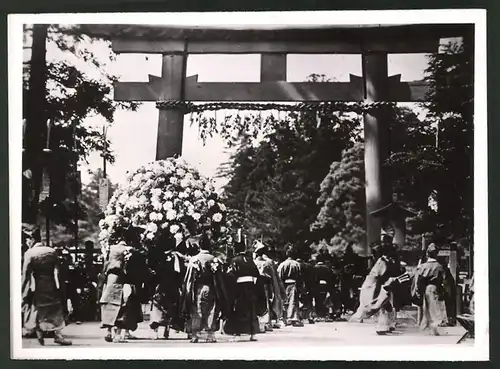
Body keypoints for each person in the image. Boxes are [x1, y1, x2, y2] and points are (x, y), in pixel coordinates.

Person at [22, 225, 72, 346]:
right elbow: (58, 271)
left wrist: (23, 291)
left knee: (38, 309)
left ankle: (39, 333)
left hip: (37, 284)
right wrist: (60, 287)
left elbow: (26, 274)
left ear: (32, 239)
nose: (27, 242)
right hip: (51, 284)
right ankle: (58, 335)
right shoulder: (51, 251)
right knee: (55, 309)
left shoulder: (29, 253)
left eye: (28, 240)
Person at [99, 227, 145, 343]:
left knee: (109, 304)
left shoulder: (110, 248)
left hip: (109, 279)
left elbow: (105, 265)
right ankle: (118, 335)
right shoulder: (128, 250)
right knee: (121, 305)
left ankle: (108, 331)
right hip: (120, 279)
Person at [181, 232, 229, 343]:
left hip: (197, 288)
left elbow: (188, 278)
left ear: (199, 246)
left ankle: (194, 335)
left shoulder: (194, 259)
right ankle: (210, 335)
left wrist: (186, 291)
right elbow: (220, 278)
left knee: (196, 310)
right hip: (212, 288)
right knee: (211, 310)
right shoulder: (214, 259)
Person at [350, 242, 400, 334]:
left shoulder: (384, 261)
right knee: (380, 304)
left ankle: (387, 325)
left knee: (384, 304)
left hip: (375, 284)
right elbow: (381, 275)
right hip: (375, 284)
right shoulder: (383, 262)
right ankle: (382, 326)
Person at [224, 239, 266, 341]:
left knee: (238, 311)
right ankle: (253, 334)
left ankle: (237, 334)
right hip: (251, 287)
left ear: (235, 249)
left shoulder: (235, 260)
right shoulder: (250, 260)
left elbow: (231, 275)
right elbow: (257, 274)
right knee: (251, 310)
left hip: (239, 288)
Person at [149, 234, 187, 340]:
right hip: (173, 286)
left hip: (161, 286)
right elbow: (180, 273)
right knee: (170, 309)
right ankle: (167, 331)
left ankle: (155, 332)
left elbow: (155, 272)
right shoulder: (177, 258)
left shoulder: (159, 256)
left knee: (157, 309)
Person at [411, 243, 448, 336]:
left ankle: (428, 328)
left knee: (427, 308)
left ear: (428, 254)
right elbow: (443, 279)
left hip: (426, 289)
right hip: (435, 288)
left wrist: (418, 291)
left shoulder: (423, 266)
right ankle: (434, 328)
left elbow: (418, 280)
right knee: (435, 308)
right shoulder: (439, 266)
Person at [253, 241, 284, 331]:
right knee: (267, 303)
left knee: (260, 303)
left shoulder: (254, 262)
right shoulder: (269, 262)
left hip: (256, 285)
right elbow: (274, 276)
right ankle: (267, 323)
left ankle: (261, 323)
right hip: (266, 286)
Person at [277, 247, 304, 327]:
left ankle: (284, 318)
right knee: (293, 301)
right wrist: (300, 286)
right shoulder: (297, 264)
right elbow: (300, 276)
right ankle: (293, 318)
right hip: (294, 284)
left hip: (284, 284)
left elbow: (279, 276)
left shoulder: (282, 264)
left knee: (284, 301)